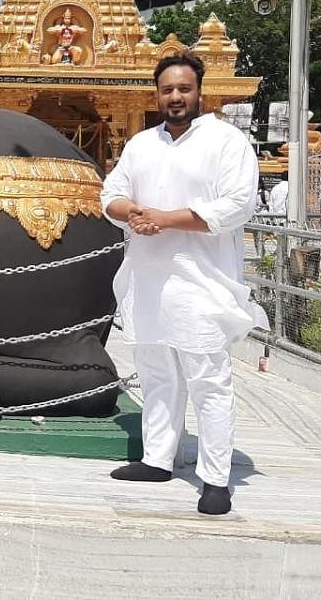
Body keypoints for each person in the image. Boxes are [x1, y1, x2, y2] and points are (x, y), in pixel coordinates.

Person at [100, 53, 267, 516]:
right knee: (156, 374)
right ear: (157, 94)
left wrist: (165, 219)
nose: (175, 97)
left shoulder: (226, 142)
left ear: (200, 92)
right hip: (150, 279)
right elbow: (110, 192)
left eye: (184, 89)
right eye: (167, 90)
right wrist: (130, 213)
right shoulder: (141, 145)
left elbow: (236, 206)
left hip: (201, 283)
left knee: (207, 380)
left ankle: (215, 478)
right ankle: (157, 458)